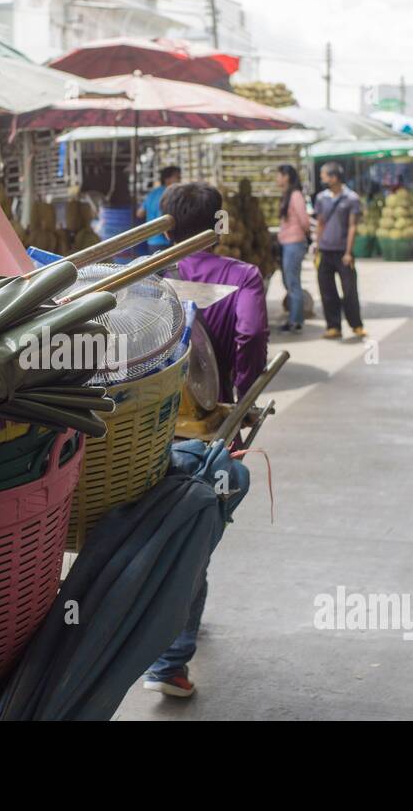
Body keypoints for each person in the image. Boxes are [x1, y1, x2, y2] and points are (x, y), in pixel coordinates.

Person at [145, 183, 268, 699]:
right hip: (208, 425)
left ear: (166, 223)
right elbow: (250, 338)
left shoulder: (144, 272)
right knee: (193, 529)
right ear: (218, 222)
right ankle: (169, 661)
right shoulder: (242, 277)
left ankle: (176, 623)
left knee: (154, 526)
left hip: (139, 425)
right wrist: (237, 397)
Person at [160, 182, 269, 403]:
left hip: (156, 414)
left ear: (166, 230)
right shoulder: (245, 276)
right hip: (217, 408)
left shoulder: (148, 274)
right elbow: (252, 334)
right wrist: (246, 392)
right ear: (220, 224)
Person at [312, 161, 366, 339]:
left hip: (343, 252)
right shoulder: (321, 198)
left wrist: (349, 252)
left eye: (324, 175)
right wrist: (317, 247)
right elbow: (320, 223)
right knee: (327, 291)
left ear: (334, 178)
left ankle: (356, 324)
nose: (322, 178)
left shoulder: (351, 198)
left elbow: (352, 226)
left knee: (349, 290)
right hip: (325, 251)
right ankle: (333, 326)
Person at [276, 164, 311, 333]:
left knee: (293, 282)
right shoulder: (287, 194)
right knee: (289, 281)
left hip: (294, 243)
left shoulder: (295, 195)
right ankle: (295, 318)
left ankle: (296, 321)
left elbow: (304, 220)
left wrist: (304, 234)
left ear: (287, 176)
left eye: (279, 175)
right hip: (288, 242)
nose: (277, 179)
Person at [138, 166, 182, 255]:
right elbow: (163, 222)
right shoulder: (170, 194)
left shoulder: (152, 193)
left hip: (151, 241)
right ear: (167, 179)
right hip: (164, 242)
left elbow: (140, 213)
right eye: (177, 177)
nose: (180, 180)